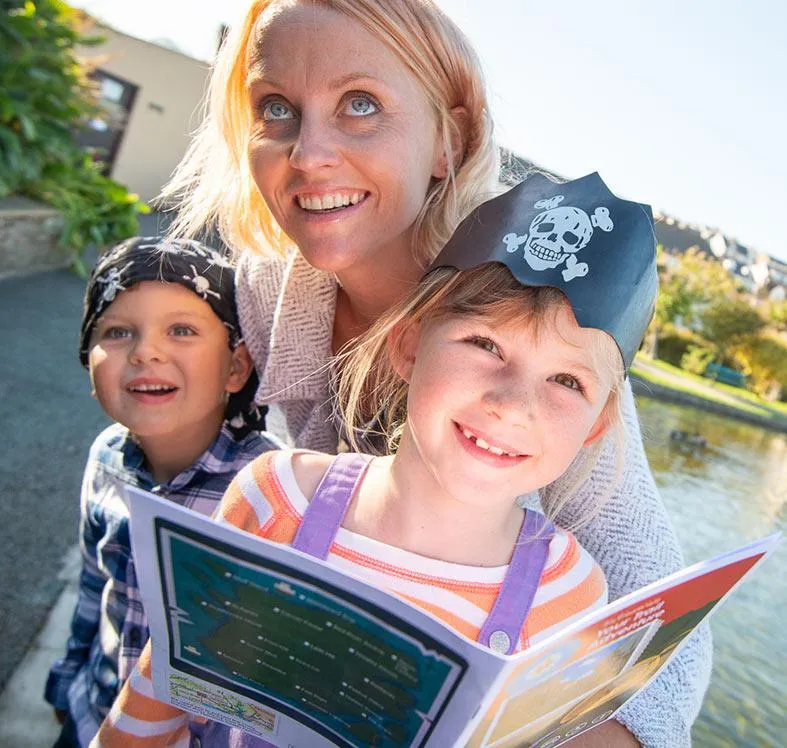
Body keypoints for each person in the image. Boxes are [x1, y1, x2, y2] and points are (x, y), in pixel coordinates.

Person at [160, 2, 713, 744]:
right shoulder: (269, 289)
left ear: (447, 141)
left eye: (360, 105)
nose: (307, 152)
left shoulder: (547, 327)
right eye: (277, 108)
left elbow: (667, 637)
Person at [96, 172, 657, 746]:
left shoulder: (569, 595)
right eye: (485, 345)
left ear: (598, 425)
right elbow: (155, 705)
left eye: (567, 380)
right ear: (408, 344)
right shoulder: (277, 499)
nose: (514, 406)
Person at [44, 237, 281, 747]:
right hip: (94, 716)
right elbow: (94, 583)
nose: (147, 350)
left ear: (236, 367)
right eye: (118, 331)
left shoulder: (272, 491)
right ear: (89, 361)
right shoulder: (106, 457)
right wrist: (66, 685)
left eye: (182, 329)